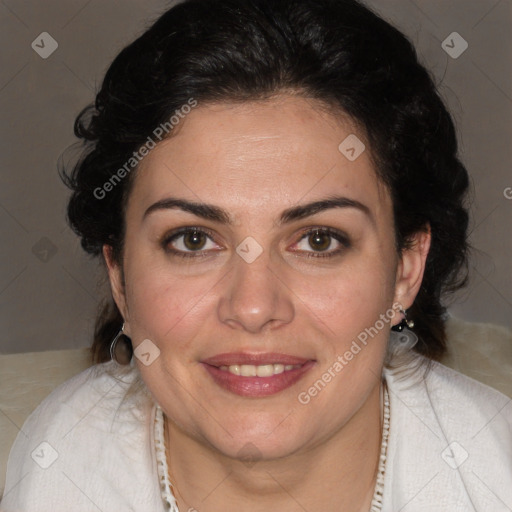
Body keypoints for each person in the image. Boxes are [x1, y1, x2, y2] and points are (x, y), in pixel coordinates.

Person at [1, 0, 511, 510]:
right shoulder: (62, 466)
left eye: (318, 240)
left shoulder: (493, 473)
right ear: (120, 277)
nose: (252, 307)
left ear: (405, 270)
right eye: (193, 240)